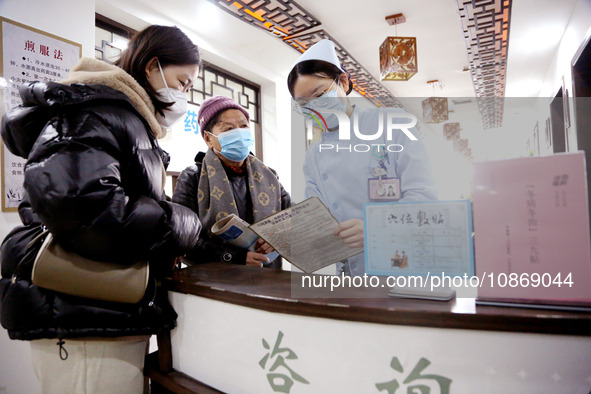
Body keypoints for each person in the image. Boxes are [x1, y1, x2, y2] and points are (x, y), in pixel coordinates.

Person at [0, 25, 202, 393]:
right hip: (84, 313)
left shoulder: (123, 118)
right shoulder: (97, 112)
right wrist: (182, 221)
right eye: (183, 81)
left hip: (98, 310)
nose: (183, 94)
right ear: (153, 65)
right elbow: (86, 208)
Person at [287, 39, 437, 276]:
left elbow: (425, 199)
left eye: (319, 94)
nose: (314, 107)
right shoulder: (313, 157)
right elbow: (320, 220)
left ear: (343, 82)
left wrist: (376, 229)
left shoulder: (393, 124)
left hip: (405, 265)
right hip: (350, 274)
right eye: (304, 104)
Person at [172, 95, 291, 268]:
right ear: (208, 138)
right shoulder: (193, 177)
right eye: (228, 129)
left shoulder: (269, 175)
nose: (239, 133)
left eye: (243, 126)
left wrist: (279, 235)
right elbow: (182, 237)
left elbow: (292, 217)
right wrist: (235, 257)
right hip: (216, 281)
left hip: (268, 278)